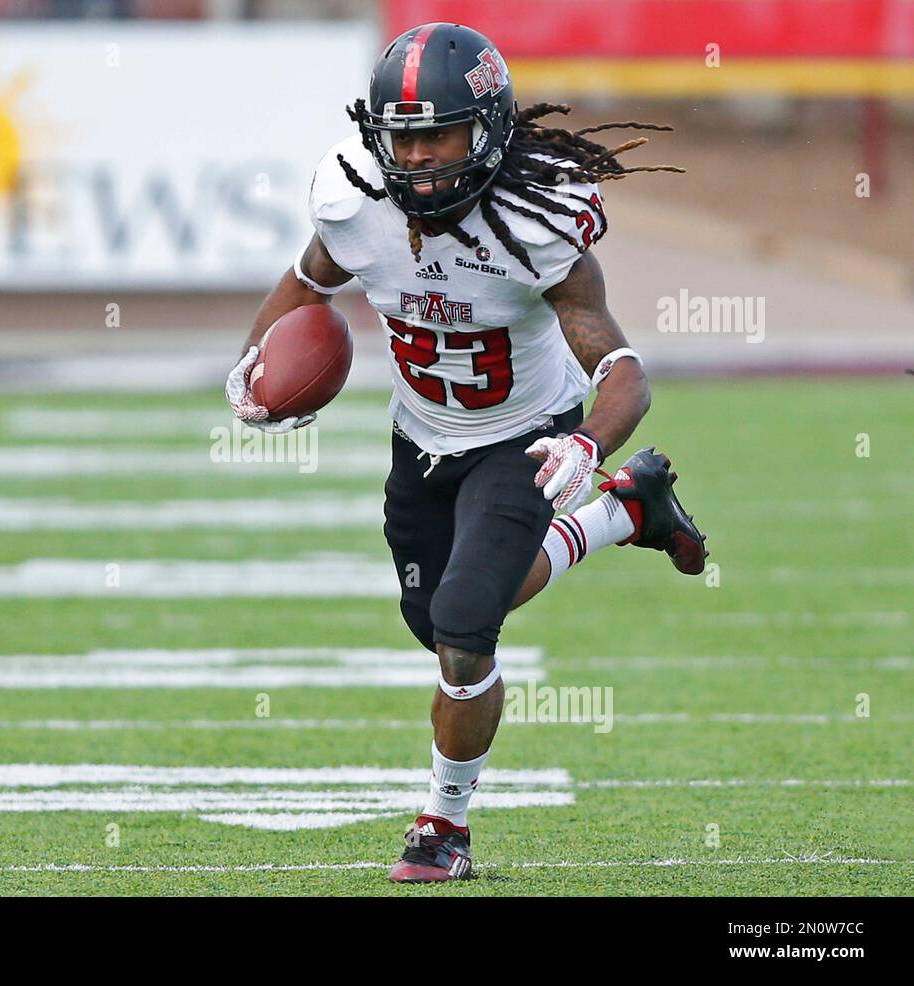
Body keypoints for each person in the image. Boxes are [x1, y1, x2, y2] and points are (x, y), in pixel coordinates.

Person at [225, 21, 707, 883]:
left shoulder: (536, 222)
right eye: (399, 138)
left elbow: (624, 370)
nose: (413, 159)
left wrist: (586, 440)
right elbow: (307, 283)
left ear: (486, 128)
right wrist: (254, 365)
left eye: (435, 135)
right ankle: (623, 512)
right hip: (421, 438)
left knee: (462, 636)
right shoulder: (354, 199)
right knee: (439, 618)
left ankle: (443, 824)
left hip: (524, 435)